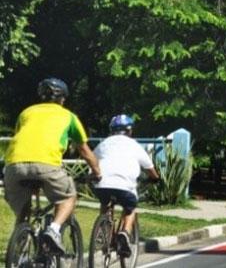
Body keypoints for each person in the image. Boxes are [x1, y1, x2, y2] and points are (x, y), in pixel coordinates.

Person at [3, 78, 102, 254]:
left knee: (23, 213)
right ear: (63, 99)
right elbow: (85, 150)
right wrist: (97, 172)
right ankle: (54, 230)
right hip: (46, 165)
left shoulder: (26, 113)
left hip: (13, 166)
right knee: (68, 197)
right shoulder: (69, 117)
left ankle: (19, 252)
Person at [93, 114, 160, 256]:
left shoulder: (104, 143)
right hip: (125, 187)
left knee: (105, 203)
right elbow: (149, 167)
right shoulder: (135, 145)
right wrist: (155, 178)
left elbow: (93, 159)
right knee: (130, 207)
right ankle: (125, 232)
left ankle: (104, 232)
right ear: (130, 131)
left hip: (103, 184)